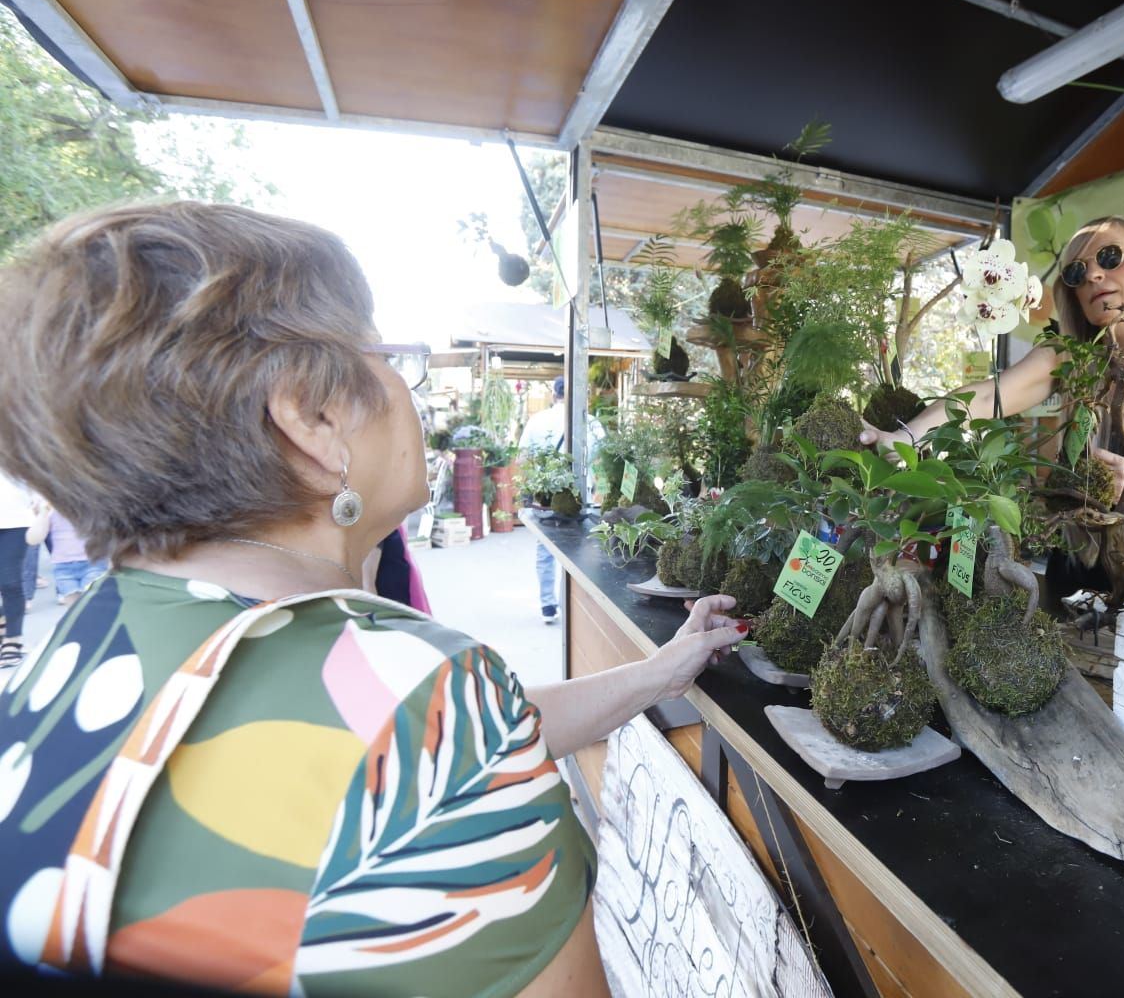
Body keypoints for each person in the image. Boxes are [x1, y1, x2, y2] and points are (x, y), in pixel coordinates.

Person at [0, 201, 746, 996]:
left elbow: (435, 747)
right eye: (384, 352)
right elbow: (432, 748)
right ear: (313, 417)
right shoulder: (428, 696)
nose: (405, 390)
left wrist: (665, 671)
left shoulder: (97, 634)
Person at [862, 216, 1124, 606]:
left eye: (1110, 256)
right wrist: (905, 437)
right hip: (1079, 573)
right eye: (1076, 272)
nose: (1093, 277)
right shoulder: (1073, 356)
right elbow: (986, 397)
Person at [519, 376, 603, 624]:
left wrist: (532, 485)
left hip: (545, 500)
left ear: (554, 395)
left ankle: (548, 606)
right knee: (579, 551)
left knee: (545, 549)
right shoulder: (591, 422)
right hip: (580, 498)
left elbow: (522, 459)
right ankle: (576, 611)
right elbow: (602, 461)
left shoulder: (538, 420)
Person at [26, 503, 109, 606]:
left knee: (91, 605)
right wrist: (43, 513)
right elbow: (33, 539)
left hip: (93, 564)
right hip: (63, 568)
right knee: (74, 611)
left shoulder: (93, 508)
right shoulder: (52, 512)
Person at [0, 471, 33, 665]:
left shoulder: (14, 443)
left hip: (15, 520)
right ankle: (3, 620)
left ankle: (13, 639)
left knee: (9, 580)